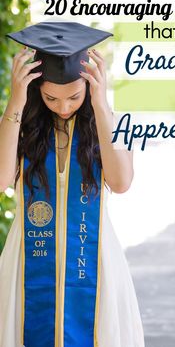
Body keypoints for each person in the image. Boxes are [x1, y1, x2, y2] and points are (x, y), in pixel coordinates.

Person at [0, 21, 145, 347]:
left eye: (74, 97)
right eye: (51, 98)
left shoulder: (114, 122)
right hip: (28, 263)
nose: (63, 108)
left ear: (90, 85)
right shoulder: (18, 124)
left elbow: (121, 182)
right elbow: (1, 180)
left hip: (95, 261)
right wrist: (15, 102)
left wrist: (99, 104)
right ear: (37, 88)